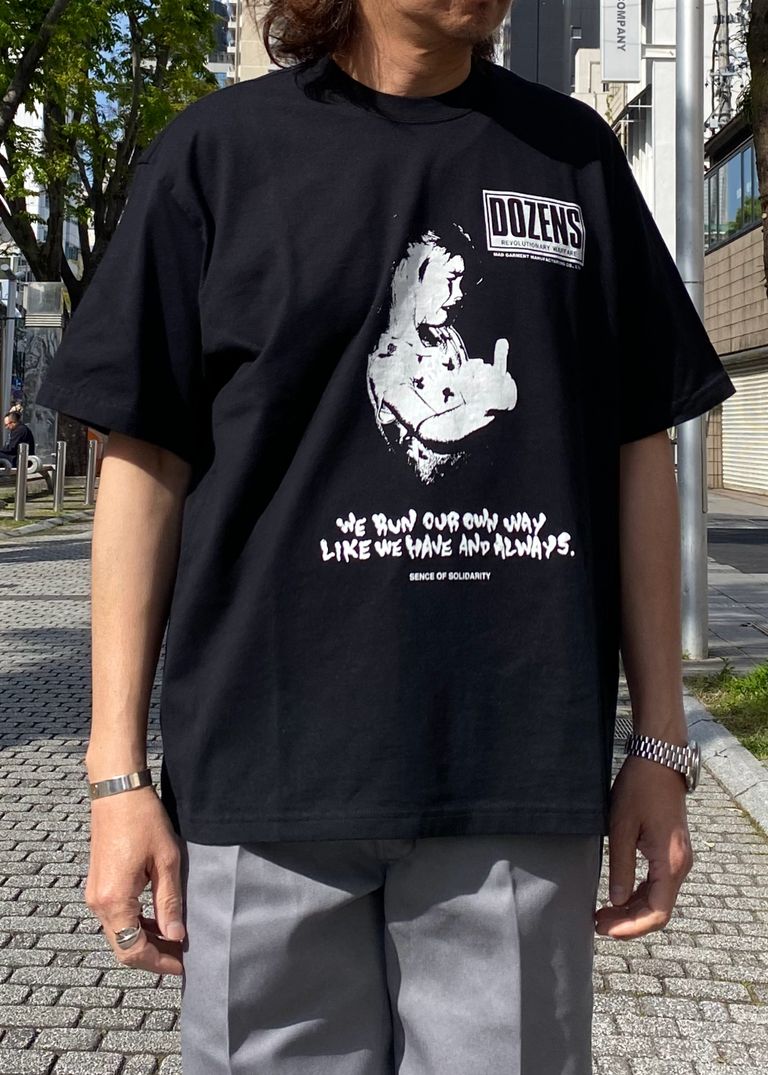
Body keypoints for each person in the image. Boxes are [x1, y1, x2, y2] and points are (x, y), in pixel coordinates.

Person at [36, 1, 736, 1072]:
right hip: (266, 777)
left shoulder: (573, 158)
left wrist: (660, 742)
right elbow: (143, 466)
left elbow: (640, 452)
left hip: (512, 767)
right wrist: (114, 776)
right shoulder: (218, 157)